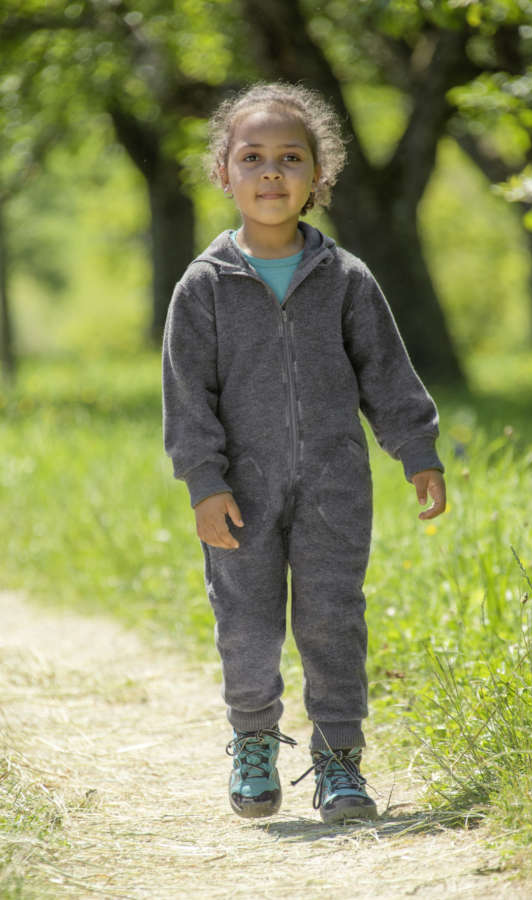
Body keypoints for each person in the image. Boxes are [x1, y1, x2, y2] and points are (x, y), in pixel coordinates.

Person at [162, 82, 446, 824]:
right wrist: (204, 483)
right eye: (251, 157)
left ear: (320, 175)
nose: (271, 172)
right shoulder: (203, 287)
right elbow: (187, 398)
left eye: (291, 158)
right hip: (241, 496)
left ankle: (339, 760)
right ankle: (254, 743)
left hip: (334, 489)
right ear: (223, 172)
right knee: (247, 624)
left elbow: (386, 374)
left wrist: (418, 451)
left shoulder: (347, 279)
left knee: (331, 621)